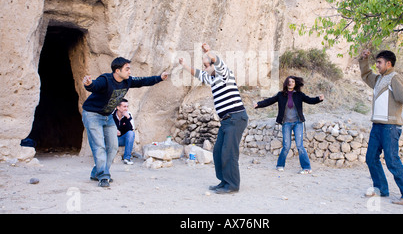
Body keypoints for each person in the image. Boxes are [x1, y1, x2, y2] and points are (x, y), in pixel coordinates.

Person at [359, 49, 403, 205]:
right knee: (371, 158)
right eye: (376, 62)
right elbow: (366, 75)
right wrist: (364, 59)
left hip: (390, 127)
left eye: (379, 62)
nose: (377, 65)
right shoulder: (379, 79)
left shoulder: (394, 78)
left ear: (388, 63)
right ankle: (381, 190)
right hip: (377, 126)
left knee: (392, 161)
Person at [82, 57, 168, 187]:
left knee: (113, 146)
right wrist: (88, 84)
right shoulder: (105, 80)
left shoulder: (127, 81)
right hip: (92, 115)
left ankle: (96, 173)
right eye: (127, 69)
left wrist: (159, 78)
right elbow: (94, 86)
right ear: (117, 70)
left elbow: (143, 81)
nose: (129, 72)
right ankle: (104, 176)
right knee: (99, 146)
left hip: (107, 116)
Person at [179, 43, 248, 194]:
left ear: (212, 66)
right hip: (226, 120)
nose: (204, 68)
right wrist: (184, 65)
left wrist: (209, 52)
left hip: (236, 117)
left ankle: (233, 185)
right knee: (217, 152)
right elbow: (197, 73)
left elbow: (217, 61)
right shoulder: (211, 78)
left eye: (206, 65)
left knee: (229, 152)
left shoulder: (224, 74)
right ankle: (224, 181)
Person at [254, 76, 324, 173]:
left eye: (293, 82)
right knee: (286, 146)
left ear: (295, 84)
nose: (291, 83)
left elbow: (310, 100)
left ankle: (306, 167)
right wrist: (258, 104)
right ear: (286, 83)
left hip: (297, 123)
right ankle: (280, 165)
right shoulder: (280, 95)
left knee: (300, 146)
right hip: (286, 123)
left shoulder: (299, 94)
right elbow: (269, 101)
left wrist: (318, 99)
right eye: (289, 81)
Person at [113, 99, 135, 165]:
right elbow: (105, 127)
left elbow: (132, 128)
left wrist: (128, 117)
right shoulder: (111, 115)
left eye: (127, 106)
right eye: (124, 106)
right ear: (118, 107)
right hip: (111, 140)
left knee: (131, 133)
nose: (126, 109)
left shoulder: (129, 115)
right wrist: (113, 131)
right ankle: (102, 159)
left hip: (121, 140)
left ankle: (127, 158)